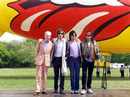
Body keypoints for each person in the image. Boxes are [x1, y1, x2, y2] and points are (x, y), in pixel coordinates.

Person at [34, 31, 53, 95]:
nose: (48, 37)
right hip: (39, 60)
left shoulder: (51, 43)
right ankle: (37, 90)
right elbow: (36, 50)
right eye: (47, 35)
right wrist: (36, 58)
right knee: (38, 75)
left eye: (49, 36)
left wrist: (50, 60)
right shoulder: (40, 41)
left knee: (45, 76)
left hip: (47, 61)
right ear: (44, 35)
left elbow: (51, 53)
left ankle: (44, 90)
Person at [52, 29, 67, 94]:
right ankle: (55, 89)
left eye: (61, 34)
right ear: (57, 35)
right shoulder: (54, 41)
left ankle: (61, 89)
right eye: (59, 34)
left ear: (63, 35)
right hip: (56, 59)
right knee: (56, 75)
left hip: (62, 59)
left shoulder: (65, 41)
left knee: (62, 75)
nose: (60, 35)